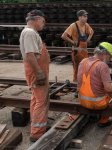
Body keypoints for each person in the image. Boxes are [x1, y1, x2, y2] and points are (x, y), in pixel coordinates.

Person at [19, 9, 50, 142]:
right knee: (41, 101)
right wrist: (39, 73)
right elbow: (30, 55)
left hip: (37, 70)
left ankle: (36, 124)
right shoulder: (30, 33)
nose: (44, 24)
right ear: (36, 19)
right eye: (43, 21)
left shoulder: (30, 32)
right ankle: (37, 133)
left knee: (36, 98)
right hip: (36, 71)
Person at [77, 42, 112, 127]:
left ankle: (91, 112)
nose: (110, 59)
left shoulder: (83, 61)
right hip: (98, 103)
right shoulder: (102, 66)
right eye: (109, 57)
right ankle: (104, 121)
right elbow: (108, 89)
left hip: (82, 100)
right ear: (104, 53)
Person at [61, 10, 94, 97]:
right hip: (77, 52)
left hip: (84, 51)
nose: (86, 18)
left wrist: (88, 39)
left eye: (86, 16)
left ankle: (83, 86)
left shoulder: (86, 25)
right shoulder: (74, 26)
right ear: (79, 17)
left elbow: (92, 32)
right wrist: (72, 41)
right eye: (84, 16)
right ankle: (76, 88)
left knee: (85, 69)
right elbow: (63, 36)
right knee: (77, 70)